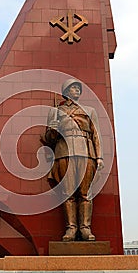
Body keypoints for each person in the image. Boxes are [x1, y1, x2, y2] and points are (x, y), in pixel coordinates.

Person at [45, 79, 104, 241]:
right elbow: (49, 139)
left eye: (78, 87)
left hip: (86, 153)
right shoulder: (56, 111)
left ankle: (85, 228)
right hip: (64, 152)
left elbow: (96, 135)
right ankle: (71, 228)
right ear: (66, 91)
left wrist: (99, 157)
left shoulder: (90, 110)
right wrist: (53, 129)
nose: (77, 89)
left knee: (85, 193)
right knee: (68, 193)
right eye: (73, 87)